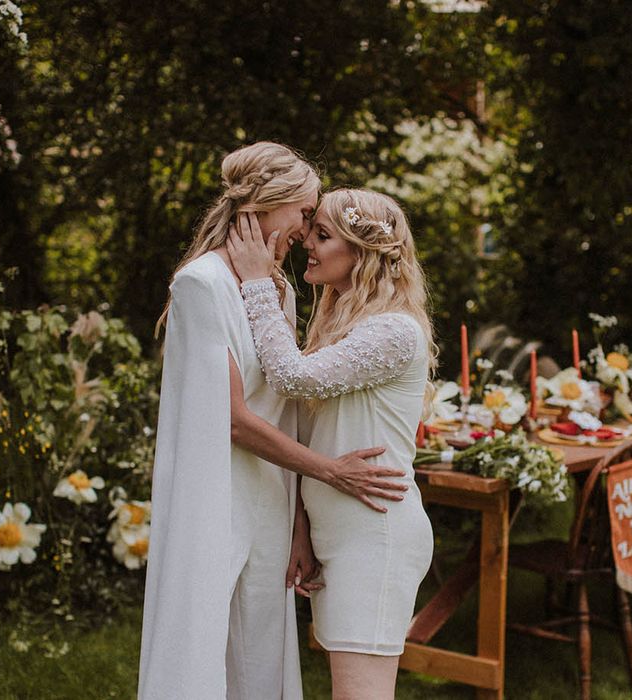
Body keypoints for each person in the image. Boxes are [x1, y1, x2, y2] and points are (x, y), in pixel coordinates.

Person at [138, 144, 408, 700]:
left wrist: (297, 525)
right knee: (200, 653)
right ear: (267, 203)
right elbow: (232, 420)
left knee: (260, 661)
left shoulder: (277, 290)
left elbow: (287, 406)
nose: (305, 231)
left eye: (314, 221)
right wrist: (330, 472)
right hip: (215, 497)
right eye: (304, 214)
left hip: (270, 500)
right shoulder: (203, 283)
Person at [227, 187, 436, 700]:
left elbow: (291, 377)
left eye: (323, 235)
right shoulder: (346, 326)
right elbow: (315, 435)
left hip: (376, 537)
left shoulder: (393, 332)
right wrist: (303, 530)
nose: (307, 245)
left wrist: (257, 283)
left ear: (361, 253)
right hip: (341, 538)